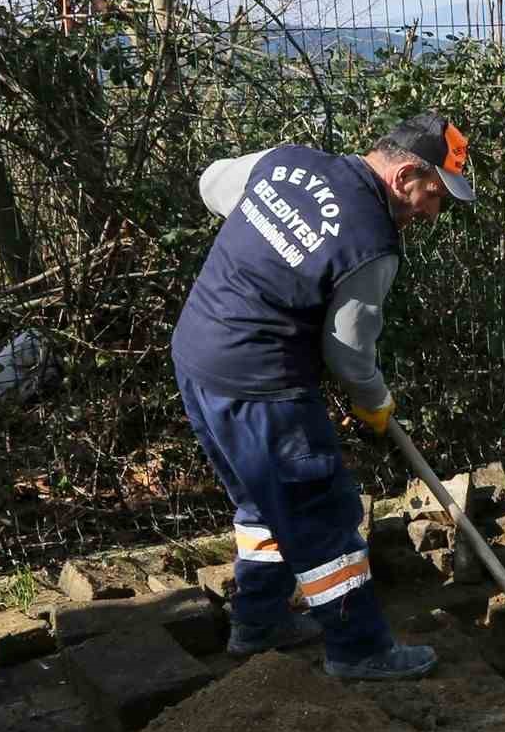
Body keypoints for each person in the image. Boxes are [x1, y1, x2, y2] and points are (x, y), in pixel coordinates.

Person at [171, 112, 475, 679]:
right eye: (434, 195)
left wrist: (279, 230)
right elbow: (349, 351)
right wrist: (374, 402)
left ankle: (259, 624)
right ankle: (359, 650)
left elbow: (213, 183)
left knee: (262, 504)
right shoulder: (371, 244)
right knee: (324, 515)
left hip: (198, 359)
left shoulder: (286, 162)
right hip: (264, 388)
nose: (431, 213)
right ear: (406, 173)